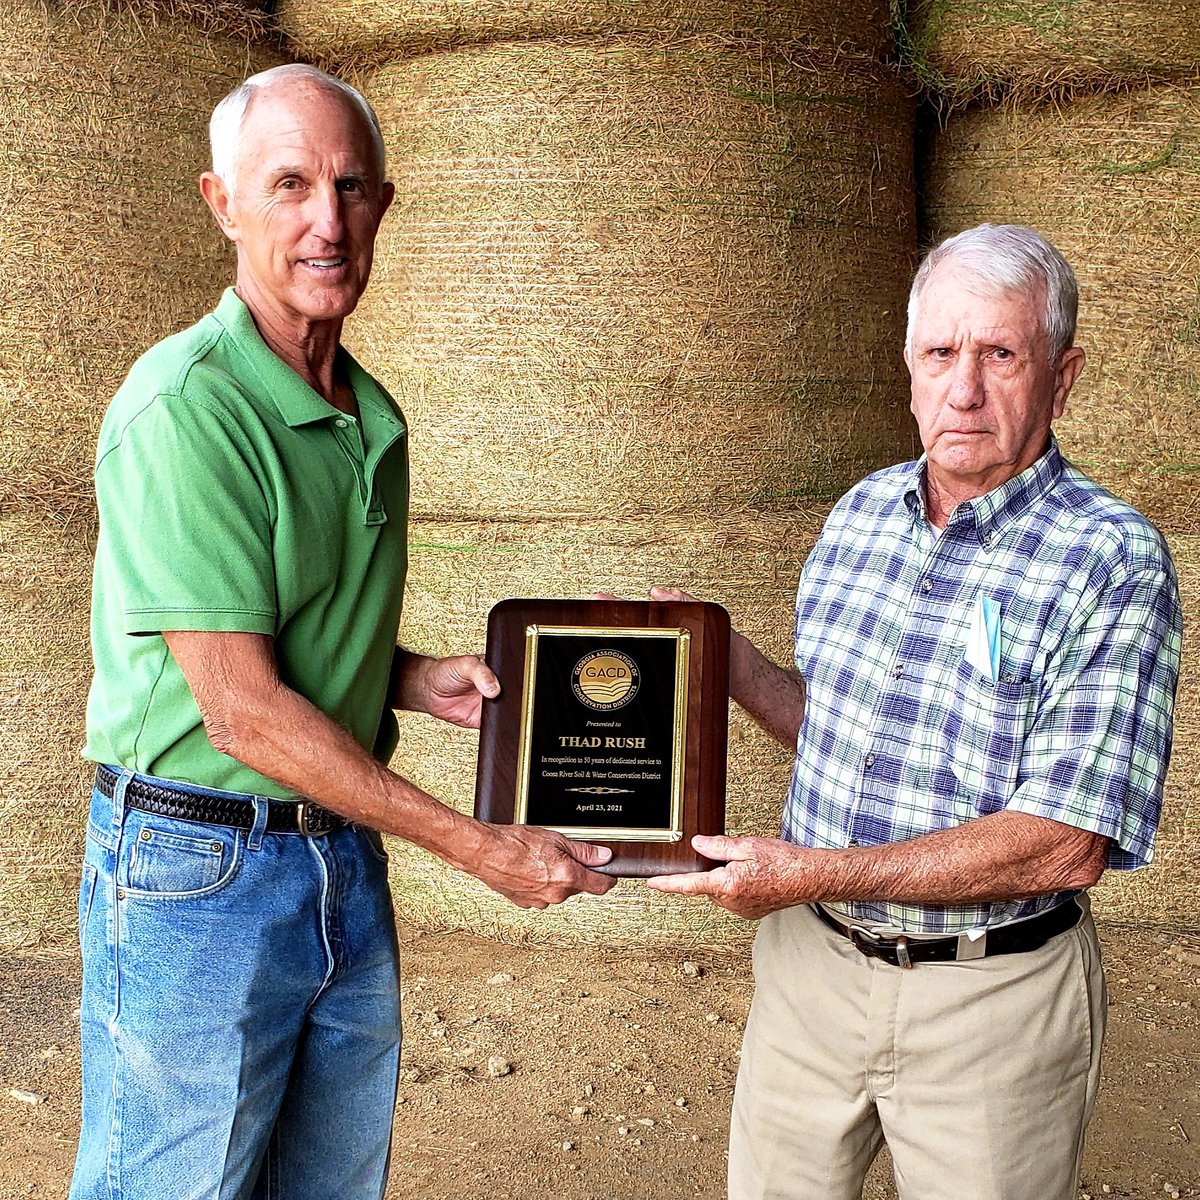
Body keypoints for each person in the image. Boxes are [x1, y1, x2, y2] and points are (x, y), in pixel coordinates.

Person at [72, 63, 614, 1200]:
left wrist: (413, 679)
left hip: (337, 853)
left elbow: (284, 627)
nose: (327, 220)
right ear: (223, 203)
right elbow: (240, 706)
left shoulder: (369, 413)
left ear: (383, 206)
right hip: (198, 866)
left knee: (329, 1183)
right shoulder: (189, 409)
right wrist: (478, 846)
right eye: (289, 185)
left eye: (352, 187)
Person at [649, 224, 1183, 1200]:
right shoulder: (859, 518)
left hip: (987, 1000)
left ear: (1062, 379)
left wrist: (807, 872)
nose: (964, 388)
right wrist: (719, 658)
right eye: (941, 353)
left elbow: (1064, 845)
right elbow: (844, 735)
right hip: (809, 977)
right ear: (909, 367)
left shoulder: (1112, 561)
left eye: (1001, 354)